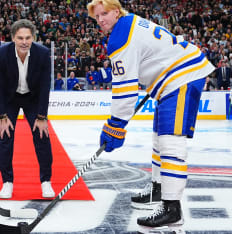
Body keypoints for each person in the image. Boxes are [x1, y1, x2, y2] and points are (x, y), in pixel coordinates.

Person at [87, 0, 215, 232]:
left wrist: (116, 125)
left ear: (117, 11)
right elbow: (141, 61)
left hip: (181, 77)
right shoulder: (129, 23)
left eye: (105, 13)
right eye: (97, 17)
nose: (101, 20)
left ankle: (172, 208)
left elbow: (125, 89)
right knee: (158, 137)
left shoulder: (119, 37)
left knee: (170, 142)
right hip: (176, 76)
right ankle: (158, 189)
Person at [0, 19, 55, 199]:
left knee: (42, 135)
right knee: (5, 136)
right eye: (20, 38)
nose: (24, 41)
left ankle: (46, 181)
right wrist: (1, 115)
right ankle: (7, 182)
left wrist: (42, 116)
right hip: (9, 99)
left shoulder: (43, 53)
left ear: (33, 37)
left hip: (33, 98)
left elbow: (44, 87)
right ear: (13, 38)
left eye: (28, 37)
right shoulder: (0, 53)